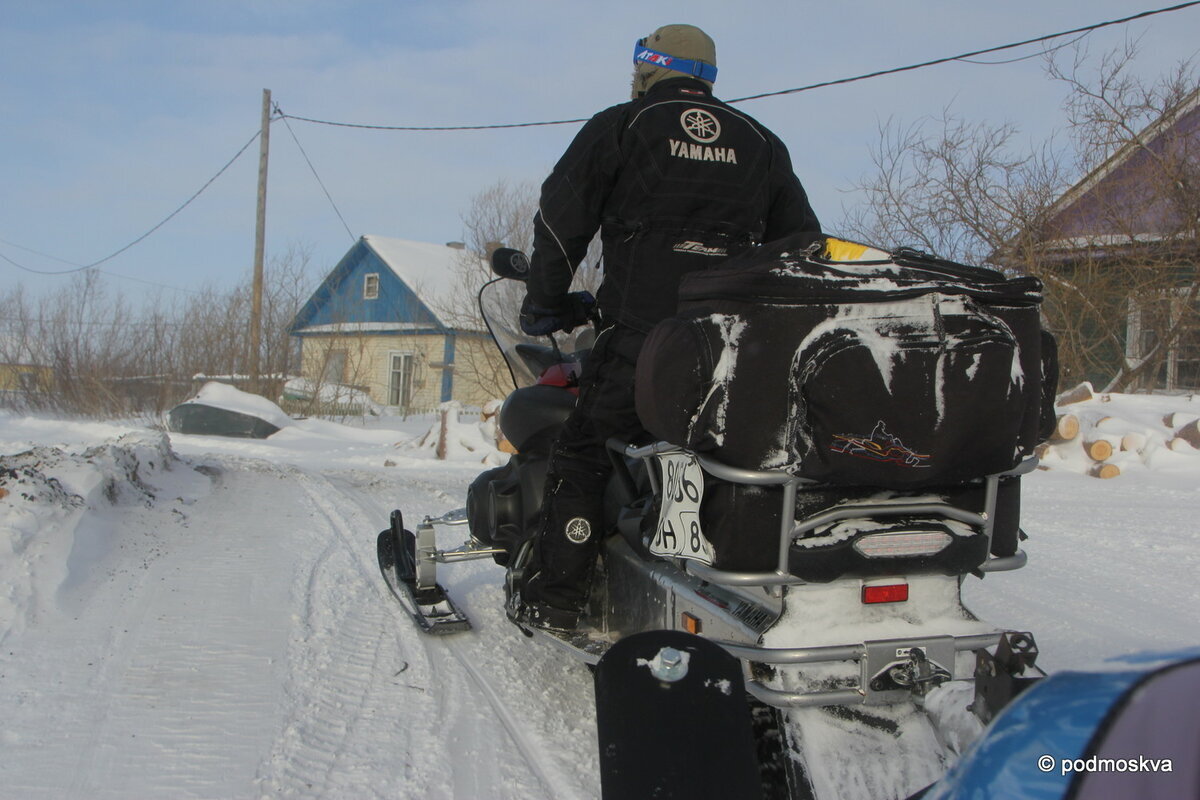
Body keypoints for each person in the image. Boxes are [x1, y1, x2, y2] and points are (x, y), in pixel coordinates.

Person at [513, 24, 821, 630]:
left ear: (647, 71)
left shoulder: (622, 126)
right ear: (707, 76)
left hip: (643, 341)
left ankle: (556, 598)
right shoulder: (761, 142)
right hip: (738, 350)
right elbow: (803, 248)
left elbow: (559, 220)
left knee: (583, 452)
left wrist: (543, 301)